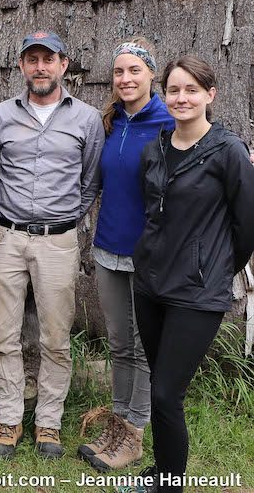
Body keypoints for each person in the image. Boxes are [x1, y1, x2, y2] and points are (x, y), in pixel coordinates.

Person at [129, 56, 254, 492]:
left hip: (196, 294)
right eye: (174, 90)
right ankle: (161, 472)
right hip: (149, 286)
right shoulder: (156, 148)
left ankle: (170, 483)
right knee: (159, 387)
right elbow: (152, 212)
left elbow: (247, 227)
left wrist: (214, 267)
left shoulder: (229, 152)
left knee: (167, 393)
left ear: (210, 95)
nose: (181, 98)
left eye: (191, 90)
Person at [0, 31, 105, 459]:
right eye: (31, 59)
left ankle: (49, 424)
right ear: (21, 66)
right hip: (6, 237)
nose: (40, 67)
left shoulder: (87, 119)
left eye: (48, 59)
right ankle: (9, 418)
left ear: (63, 64)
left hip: (58, 240)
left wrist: (66, 220)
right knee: (5, 335)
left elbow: (90, 181)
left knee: (55, 337)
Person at [78, 39, 175, 471]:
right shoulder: (111, 121)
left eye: (134, 71)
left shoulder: (168, 122)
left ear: (151, 75)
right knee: (118, 342)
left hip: (149, 255)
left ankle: (134, 432)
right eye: (119, 72)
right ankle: (117, 422)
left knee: (141, 345)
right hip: (108, 249)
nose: (125, 79)